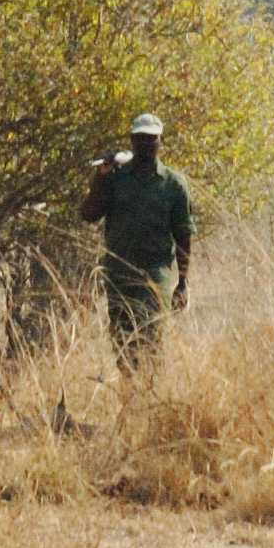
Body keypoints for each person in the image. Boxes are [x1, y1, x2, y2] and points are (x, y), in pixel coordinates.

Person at [78, 110, 193, 368]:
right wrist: (102, 176)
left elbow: (184, 235)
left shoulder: (173, 184)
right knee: (122, 340)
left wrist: (183, 282)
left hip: (156, 273)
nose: (146, 143)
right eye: (141, 138)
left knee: (150, 338)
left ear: (160, 142)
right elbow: (88, 214)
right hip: (119, 273)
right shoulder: (115, 179)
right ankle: (131, 395)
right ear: (132, 140)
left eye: (152, 138)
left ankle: (151, 395)